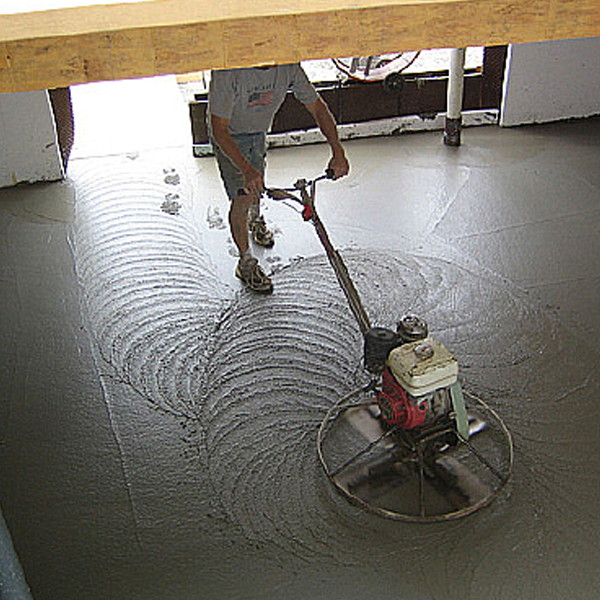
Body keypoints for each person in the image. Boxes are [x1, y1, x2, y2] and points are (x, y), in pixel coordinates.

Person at [208, 63, 349, 294]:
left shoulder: (288, 65)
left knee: (257, 179)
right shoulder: (228, 69)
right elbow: (218, 130)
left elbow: (317, 108)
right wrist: (245, 169)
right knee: (242, 196)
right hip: (230, 135)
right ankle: (245, 263)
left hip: (258, 130)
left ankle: (255, 219)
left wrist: (338, 151)